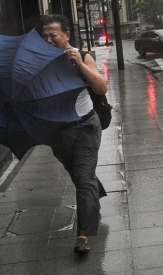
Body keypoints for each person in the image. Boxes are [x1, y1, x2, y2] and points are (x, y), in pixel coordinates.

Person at [40, 14, 108, 255]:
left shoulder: (82, 55)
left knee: (83, 180)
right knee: (79, 175)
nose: (48, 40)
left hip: (85, 128)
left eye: (53, 35)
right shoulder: (41, 63)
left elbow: (101, 87)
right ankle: (94, 192)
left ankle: (84, 234)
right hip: (57, 133)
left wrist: (79, 63)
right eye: (44, 36)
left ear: (66, 35)